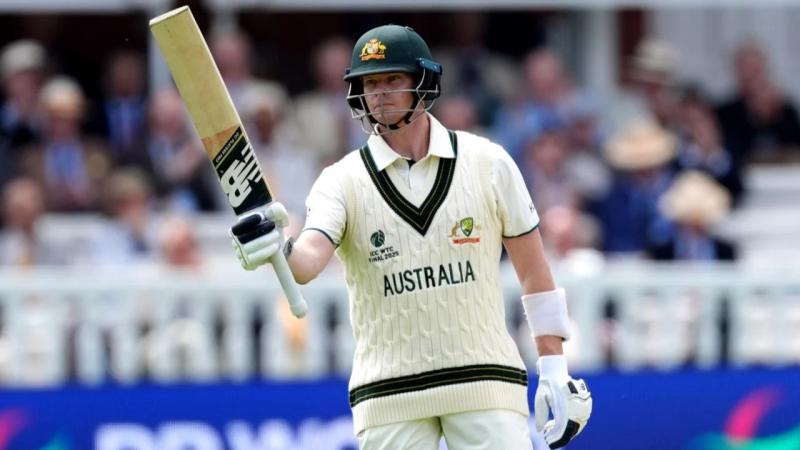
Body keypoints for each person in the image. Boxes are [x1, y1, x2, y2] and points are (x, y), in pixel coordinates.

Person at [228, 25, 591, 449]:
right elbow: (307, 263)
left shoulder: (488, 162)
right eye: (370, 84)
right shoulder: (340, 180)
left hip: (485, 381)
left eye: (392, 79)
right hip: (388, 394)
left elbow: (533, 272)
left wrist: (553, 369)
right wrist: (277, 246)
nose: (379, 94)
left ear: (423, 81)